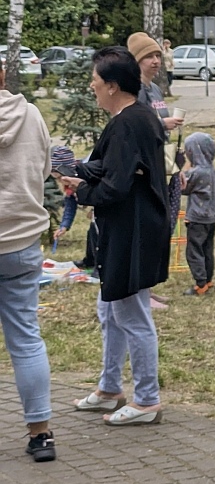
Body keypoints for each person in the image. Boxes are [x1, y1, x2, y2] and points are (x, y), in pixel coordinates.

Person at [63, 47, 171, 426]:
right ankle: (110, 387)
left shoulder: (129, 124)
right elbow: (114, 168)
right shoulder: (134, 118)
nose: (91, 86)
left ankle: (147, 401)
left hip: (133, 232)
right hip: (129, 228)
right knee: (110, 311)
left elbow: (116, 186)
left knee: (132, 315)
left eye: (95, 80)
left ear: (112, 85)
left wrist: (80, 191)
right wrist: (79, 171)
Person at [0, 60, 58, 461]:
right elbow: (45, 168)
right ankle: (41, 434)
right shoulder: (31, 114)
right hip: (22, 242)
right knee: (25, 339)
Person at [127, 32, 185, 226]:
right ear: (136, 61)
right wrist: (162, 124)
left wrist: (174, 168)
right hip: (143, 166)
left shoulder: (155, 89)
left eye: (158, 56)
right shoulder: (135, 90)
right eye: (149, 57)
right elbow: (134, 125)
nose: (156, 61)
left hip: (161, 157)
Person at [180, 132, 215, 297]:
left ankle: (200, 284)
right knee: (207, 249)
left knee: (194, 251)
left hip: (197, 219)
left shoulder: (195, 173)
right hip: (211, 218)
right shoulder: (212, 171)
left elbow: (183, 188)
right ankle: (208, 280)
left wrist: (181, 169)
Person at [51, 145, 80, 246]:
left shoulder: (84, 177)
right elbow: (70, 206)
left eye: (60, 177)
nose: (60, 181)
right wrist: (64, 226)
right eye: (57, 179)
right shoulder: (69, 188)